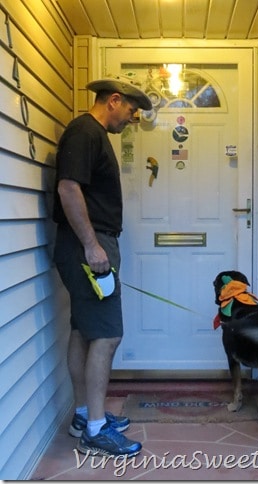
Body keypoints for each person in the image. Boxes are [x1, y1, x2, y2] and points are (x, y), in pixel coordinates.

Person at [52, 77, 152, 457]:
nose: (132, 117)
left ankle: (84, 415)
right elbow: (68, 188)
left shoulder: (91, 134)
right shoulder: (85, 132)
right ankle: (95, 429)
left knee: (84, 331)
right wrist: (93, 246)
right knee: (108, 336)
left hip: (84, 244)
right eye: (130, 109)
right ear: (113, 101)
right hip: (87, 247)